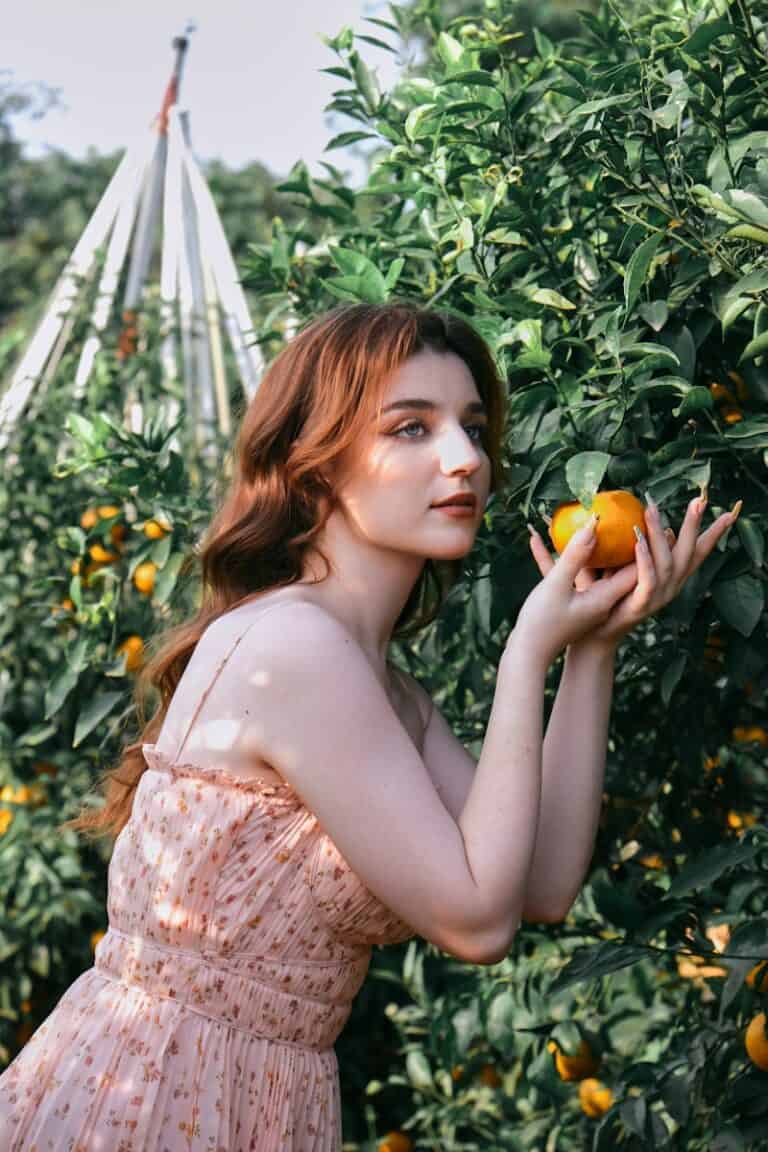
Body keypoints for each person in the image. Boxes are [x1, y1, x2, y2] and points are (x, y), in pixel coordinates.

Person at [0, 300, 740, 1150]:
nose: (466, 459)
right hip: (162, 1095)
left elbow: (538, 884)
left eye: (470, 426)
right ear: (316, 466)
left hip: (256, 1100)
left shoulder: (382, 688)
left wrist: (592, 651)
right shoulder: (295, 648)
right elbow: (477, 924)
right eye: (411, 429)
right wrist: (523, 655)